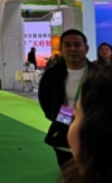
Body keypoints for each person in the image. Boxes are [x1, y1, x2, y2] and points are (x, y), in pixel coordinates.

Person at [39, 29, 95, 169]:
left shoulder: (100, 74)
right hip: (63, 131)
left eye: (77, 45)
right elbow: (45, 101)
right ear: (61, 49)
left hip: (94, 133)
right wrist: (59, 118)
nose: (72, 49)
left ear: (86, 48)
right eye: (67, 45)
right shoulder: (51, 75)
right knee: (70, 179)